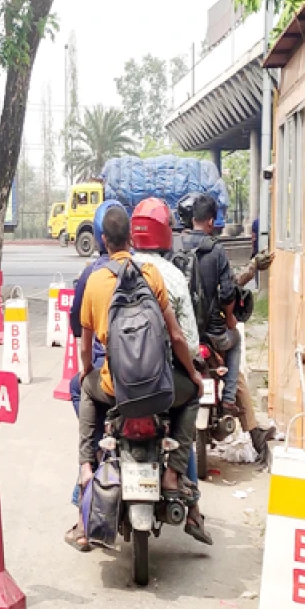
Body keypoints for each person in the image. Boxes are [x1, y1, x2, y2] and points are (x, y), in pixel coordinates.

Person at [68, 205, 206, 551]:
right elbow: (177, 336)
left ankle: (87, 468)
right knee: (191, 396)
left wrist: (87, 371)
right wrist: (193, 374)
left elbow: (86, 347)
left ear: (102, 239)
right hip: (159, 389)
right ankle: (174, 472)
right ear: (130, 238)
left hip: (116, 390)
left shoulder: (95, 280)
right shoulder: (153, 274)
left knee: (84, 390)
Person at [130, 198, 208, 541]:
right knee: (190, 405)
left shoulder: (115, 269)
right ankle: (182, 489)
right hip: (164, 384)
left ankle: (84, 494)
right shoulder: (173, 277)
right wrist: (194, 374)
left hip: (121, 384)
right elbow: (187, 342)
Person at [179, 194, 275, 460]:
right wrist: (231, 318)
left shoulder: (177, 250)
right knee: (236, 357)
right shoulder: (216, 250)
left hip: (183, 337)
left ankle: (254, 433)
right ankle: (233, 403)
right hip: (214, 334)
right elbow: (229, 290)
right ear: (210, 221)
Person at [67, 199, 121, 415]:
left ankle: (96, 447)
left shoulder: (91, 275)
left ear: (101, 238)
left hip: (103, 365)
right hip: (145, 367)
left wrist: (86, 368)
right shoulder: (146, 269)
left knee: (76, 387)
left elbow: (79, 327)